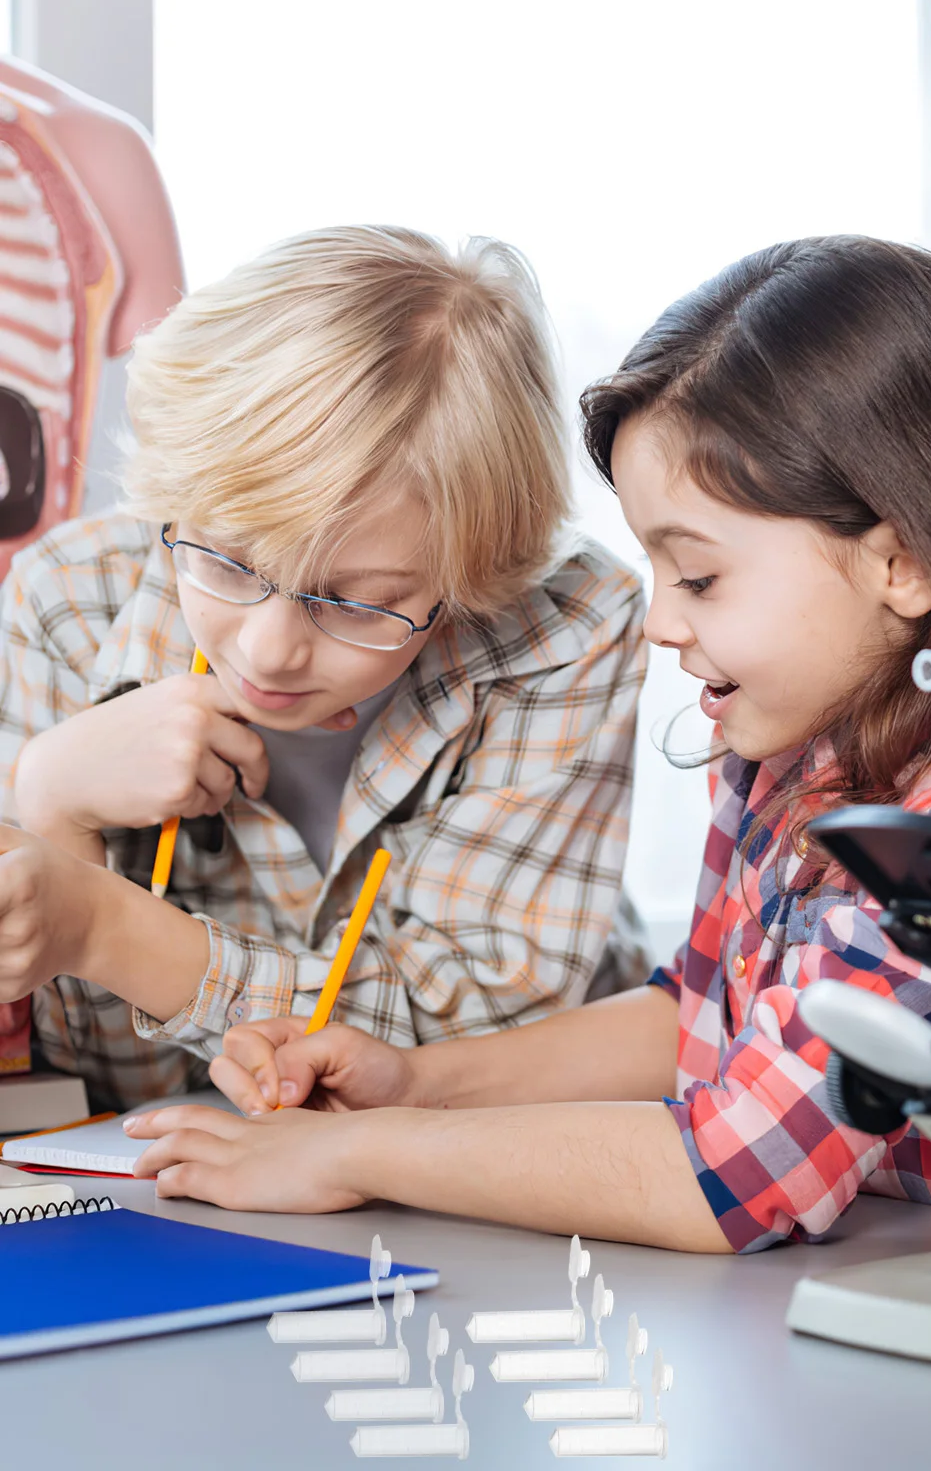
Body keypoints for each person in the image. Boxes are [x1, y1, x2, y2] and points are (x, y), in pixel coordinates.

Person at [126, 236, 931, 1253]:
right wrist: (421, 1083)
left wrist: (358, 1153)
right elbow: (696, 1016)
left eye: (699, 578)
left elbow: (735, 1172)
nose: (660, 622)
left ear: (904, 563)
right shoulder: (787, 753)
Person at [0, 226, 646, 1109]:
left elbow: (466, 1057)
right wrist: (55, 799)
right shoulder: (69, 601)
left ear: (466, 582)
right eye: (226, 560)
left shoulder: (570, 625)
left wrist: (105, 927)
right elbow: (110, 1104)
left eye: (357, 601)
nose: (270, 650)